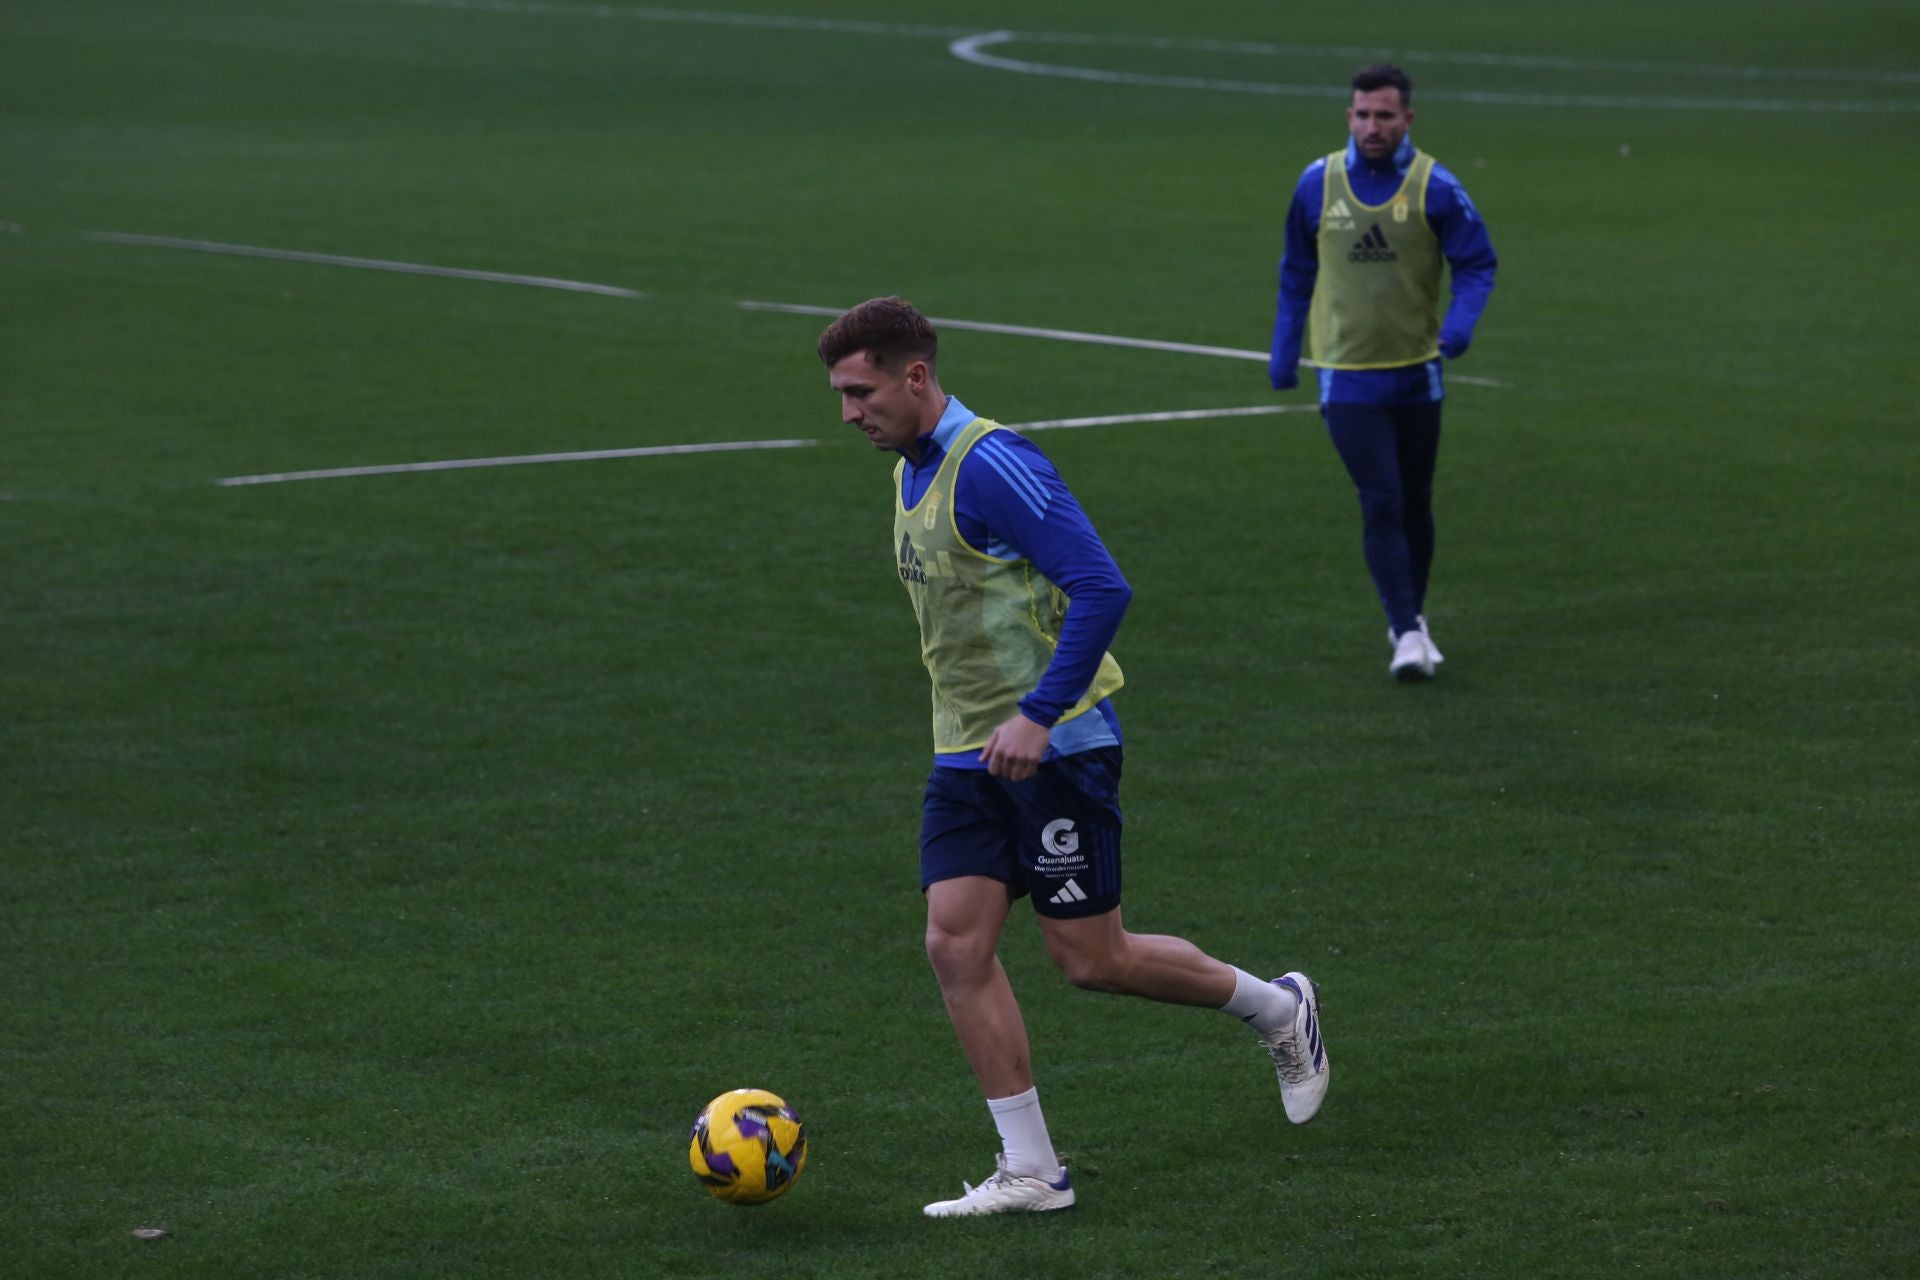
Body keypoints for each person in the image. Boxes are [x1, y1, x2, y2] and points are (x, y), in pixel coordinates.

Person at [818, 296, 1329, 1218]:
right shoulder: (908, 466)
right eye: (843, 397)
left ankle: (1277, 1008)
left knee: (1092, 960)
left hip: (1057, 750)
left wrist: (1040, 716)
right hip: (967, 755)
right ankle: (1033, 1171)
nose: (850, 413)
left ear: (916, 376)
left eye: (861, 393)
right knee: (954, 943)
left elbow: (1101, 585)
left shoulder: (994, 466)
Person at [1269, 63, 1498, 681]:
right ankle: (1403, 631)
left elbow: (1478, 263)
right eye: (1363, 115)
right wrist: (1284, 350)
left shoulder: (1436, 188)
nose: (1372, 126)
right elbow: (1296, 271)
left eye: (1385, 116)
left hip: (1418, 373)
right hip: (1346, 377)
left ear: (1407, 120)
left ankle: (1413, 618)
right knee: (1382, 499)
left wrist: (1461, 325)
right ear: (1349, 116)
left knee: (1416, 502)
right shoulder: (1317, 184)